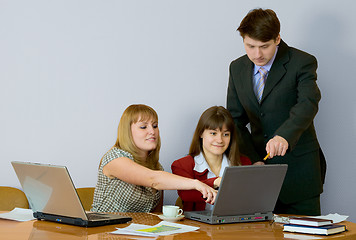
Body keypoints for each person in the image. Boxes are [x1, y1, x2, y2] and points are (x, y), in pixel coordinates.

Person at [226, 8, 326, 215]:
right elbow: (235, 120)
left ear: (277, 38)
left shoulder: (302, 62)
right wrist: (253, 159)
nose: (257, 54)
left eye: (264, 46)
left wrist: (284, 135)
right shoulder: (236, 68)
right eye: (250, 46)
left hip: (299, 174)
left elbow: (308, 103)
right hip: (258, 175)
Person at [91, 104, 217, 213]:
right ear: (127, 132)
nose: (152, 131)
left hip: (138, 233)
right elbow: (153, 179)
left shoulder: (156, 167)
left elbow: (155, 215)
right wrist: (196, 184)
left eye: (155, 126)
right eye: (143, 127)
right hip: (105, 232)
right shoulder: (115, 158)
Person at [171, 106, 251, 211]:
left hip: (235, 225)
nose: (220, 140)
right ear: (200, 133)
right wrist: (215, 182)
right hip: (197, 226)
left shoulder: (244, 163)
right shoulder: (182, 165)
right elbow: (186, 194)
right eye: (213, 133)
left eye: (226, 134)